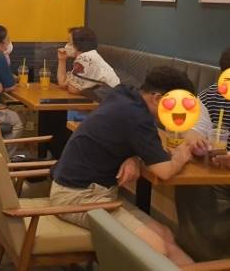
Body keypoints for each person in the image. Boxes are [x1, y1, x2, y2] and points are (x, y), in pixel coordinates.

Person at [49, 66, 195, 266]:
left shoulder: (124, 95)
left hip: (91, 192)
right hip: (78, 198)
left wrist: (134, 155)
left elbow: (124, 134)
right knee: (157, 248)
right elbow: (164, 171)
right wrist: (182, 155)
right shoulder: (138, 119)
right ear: (158, 99)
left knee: (165, 234)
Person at [176, 48, 230, 261]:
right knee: (188, 182)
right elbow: (194, 123)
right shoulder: (211, 95)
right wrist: (194, 137)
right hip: (214, 170)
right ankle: (199, 256)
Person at [57, 26, 120, 121]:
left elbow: (72, 89)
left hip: (110, 110)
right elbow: (63, 84)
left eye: (69, 42)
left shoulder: (85, 59)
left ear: (78, 44)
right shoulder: (88, 56)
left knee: (73, 112)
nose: (66, 46)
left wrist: (70, 83)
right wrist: (62, 60)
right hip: (106, 105)